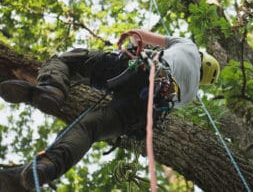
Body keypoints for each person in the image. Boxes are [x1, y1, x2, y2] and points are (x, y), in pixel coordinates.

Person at [0, 29, 220, 190]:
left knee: (67, 60)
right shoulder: (190, 95)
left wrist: (131, 35)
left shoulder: (188, 45)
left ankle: (52, 88)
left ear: (202, 57)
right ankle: (49, 165)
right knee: (89, 130)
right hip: (144, 110)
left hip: (140, 70)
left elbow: (142, 36)